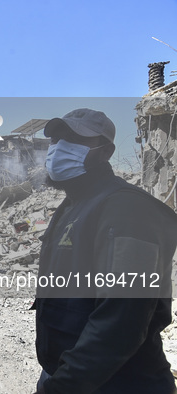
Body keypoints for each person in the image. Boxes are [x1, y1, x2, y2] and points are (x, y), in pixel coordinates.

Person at [34, 108, 177, 393]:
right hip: (72, 375)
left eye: (74, 140)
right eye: (55, 140)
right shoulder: (74, 205)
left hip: (120, 382)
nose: (59, 148)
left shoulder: (128, 209)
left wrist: (62, 387)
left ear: (105, 152)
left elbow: (122, 321)